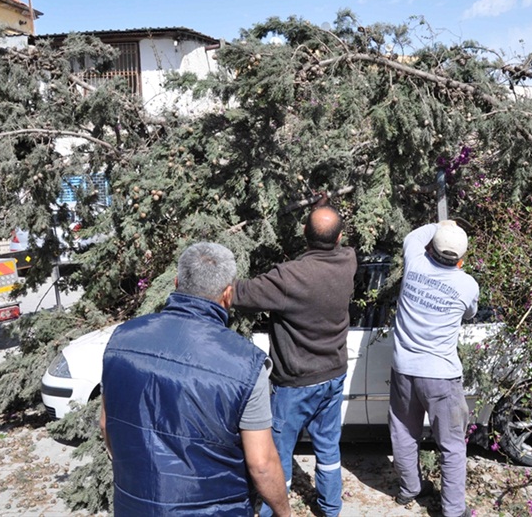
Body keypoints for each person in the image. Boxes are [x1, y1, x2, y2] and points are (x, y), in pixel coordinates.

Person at [100, 242, 291, 517]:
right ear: (228, 294)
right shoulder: (246, 364)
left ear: (177, 282)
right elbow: (261, 464)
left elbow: (107, 423)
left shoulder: (121, 339)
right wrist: (285, 512)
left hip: (134, 505)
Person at [232, 204, 357, 517]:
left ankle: (274, 512)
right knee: (328, 447)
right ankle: (331, 508)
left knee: (277, 455)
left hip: (295, 384)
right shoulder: (349, 261)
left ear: (304, 234)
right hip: (333, 374)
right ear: (341, 237)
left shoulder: (290, 277)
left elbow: (240, 294)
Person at [389, 220, 480, 517]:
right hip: (441, 376)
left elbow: (413, 236)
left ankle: (409, 489)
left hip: (404, 369)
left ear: (430, 249)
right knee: (451, 444)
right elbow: (470, 311)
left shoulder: (414, 263)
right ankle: (453, 510)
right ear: (461, 259)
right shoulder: (466, 284)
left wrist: (441, 224)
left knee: (403, 431)